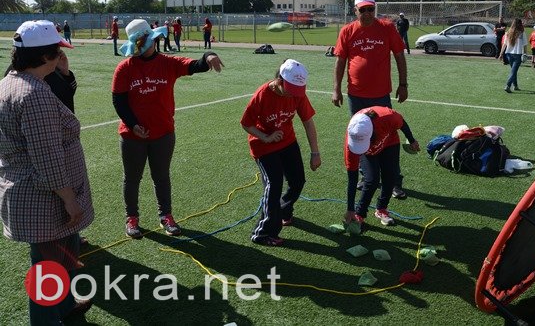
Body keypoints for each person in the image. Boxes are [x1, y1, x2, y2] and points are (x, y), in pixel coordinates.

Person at [0, 20, 94, 324]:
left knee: (65, 253)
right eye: (55, 52)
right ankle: (46, 320)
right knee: (47, 269)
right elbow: (48, 157)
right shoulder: (34, 93)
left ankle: (65, 306)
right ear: (43, 57)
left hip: (31, 190)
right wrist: (69, 199)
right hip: (45, 198)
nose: (59, 57)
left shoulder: (10, 83)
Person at [111, 19, 224, 239]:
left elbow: (194, 65)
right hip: (132, 136)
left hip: (163, 134)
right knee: (132, 179)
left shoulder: (167, 63)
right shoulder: (124, 68)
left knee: (161, 176)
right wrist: (134, 125)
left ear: (154, 40)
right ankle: (132, 218)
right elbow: (119, 102)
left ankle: (166, 216)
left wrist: (209, 54)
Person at [332, 0, 409, 199]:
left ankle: (393, 181)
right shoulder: (347, 31)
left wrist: (403, 84)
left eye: (370, 9)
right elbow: (340, 62)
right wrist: (336, 89)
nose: (367, 13)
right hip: (356, 96)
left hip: (381, 96)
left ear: (375, 9)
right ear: (355, 10)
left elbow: (400, 56)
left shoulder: (386, 28)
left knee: (389, 138)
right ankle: (367, 176)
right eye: (362, 10)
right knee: (359, 135)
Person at [241, 59, 321, 246]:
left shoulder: (297, 94)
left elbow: (308, 121)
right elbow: (246, 123)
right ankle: (262, 232)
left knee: (298, 180)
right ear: (279, 81)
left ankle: (284, 210)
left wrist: (315, 152)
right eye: (290, 89)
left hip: (287, 142)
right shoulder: (262, 95)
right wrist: (265, 137)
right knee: (274, 184)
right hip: (264, 146)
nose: (293, 95)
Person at [343, 106, 419, 230]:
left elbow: (402, 123)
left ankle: (381, 209)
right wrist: (350, 209)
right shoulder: (351, 143)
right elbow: (352, 178)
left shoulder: (387, 116)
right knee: (371, 180)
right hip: (369, 153)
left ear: (372, 132)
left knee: (390, 175)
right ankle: (359, 214)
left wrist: (411, 140)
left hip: (390, 143)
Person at [498, 18, 527, 93]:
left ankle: (515, 85)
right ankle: (508, 85)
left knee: (513, 71)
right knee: (513, 71)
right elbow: (525, 45)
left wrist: (501, 54)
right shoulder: (522, 33)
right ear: (520, 24)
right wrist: (525, 54)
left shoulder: (508, 32)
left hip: (509, 54)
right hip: (517, 54)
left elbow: (504, 44)